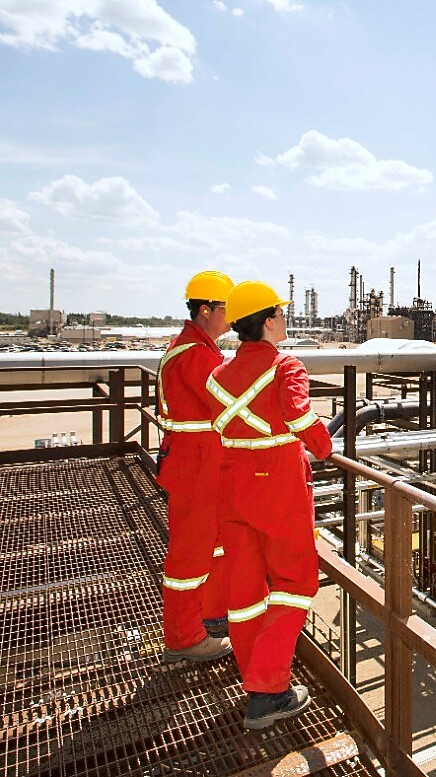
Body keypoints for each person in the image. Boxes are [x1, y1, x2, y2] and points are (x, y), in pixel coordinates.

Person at [205, 280, 333, 730]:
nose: (284, 319)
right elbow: (300, 417)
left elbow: (217, 422)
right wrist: (324, 446)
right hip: (276, 484)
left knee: (244, 593)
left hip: (232, 483)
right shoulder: (286, 367)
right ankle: (267, 690)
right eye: (279, 312)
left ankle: (253, 674)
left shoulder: (218, 374)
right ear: (265, 321)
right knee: (296, 583)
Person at [158, 269, 235, 663]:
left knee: (213, 546)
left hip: (201, 466)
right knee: (190, 556)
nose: (232, 315)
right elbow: (230, 404)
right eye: (227, 307)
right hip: (196, 470)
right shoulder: (196, 356)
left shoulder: (195, 348)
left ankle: (211, 616)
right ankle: (184, 638)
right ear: (206, 310)